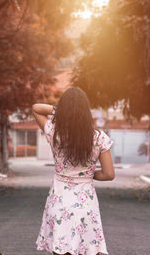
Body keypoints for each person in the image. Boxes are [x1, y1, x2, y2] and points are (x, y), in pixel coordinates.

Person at [32, 87, 115, 255]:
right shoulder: (99, 138)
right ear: (86, 111)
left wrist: (61, 111)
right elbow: (109, 174)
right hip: (86, 206)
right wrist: (88, 174)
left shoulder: (55, 133)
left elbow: (36, 108)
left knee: (60, 250)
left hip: (59, 201)